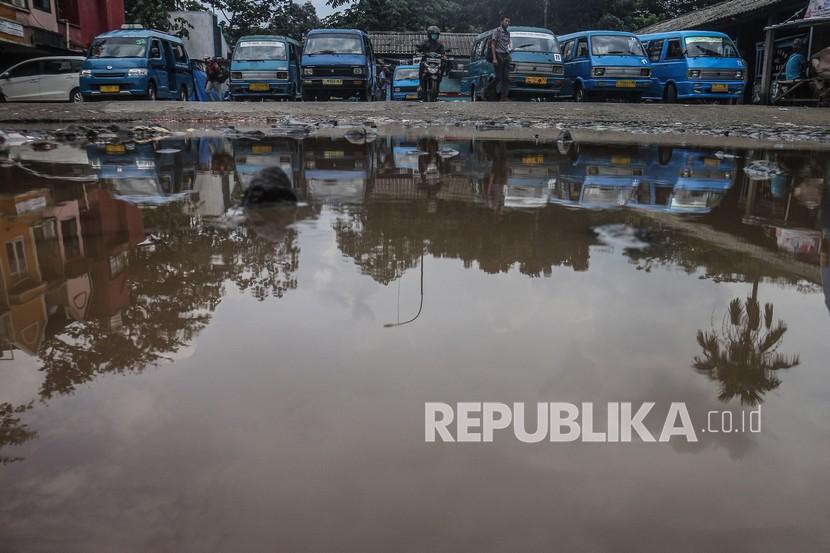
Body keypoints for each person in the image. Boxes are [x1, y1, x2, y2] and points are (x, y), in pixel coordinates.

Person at [416, 26, 446, 101]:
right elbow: (418, 49)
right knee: (421, 67)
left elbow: (443, 52)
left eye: (436, 34)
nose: (435, 36)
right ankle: (421, 87)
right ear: (429, 34)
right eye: (433, 34)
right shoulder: (424, 43)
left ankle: (440, 78)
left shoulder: (440, 44)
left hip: (436, 63)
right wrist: (418, 51)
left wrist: (443, 55)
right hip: (426, 61)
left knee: (444, 64)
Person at [490, 15, 512, 101]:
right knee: (498, 77)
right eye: (506, 21)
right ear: (501, 22)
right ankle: (486, 90)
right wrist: (494, 58)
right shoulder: (496, 31)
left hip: (506, 55)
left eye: (509, 22)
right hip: (498, 55)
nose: (507, 23)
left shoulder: (508, 33)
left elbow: (507, 45)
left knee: (506, 77)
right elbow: (492, 44)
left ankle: (504, 97)